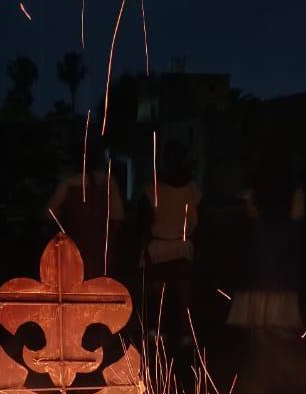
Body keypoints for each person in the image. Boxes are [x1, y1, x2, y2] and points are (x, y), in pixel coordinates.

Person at [228, 146, 304, 333]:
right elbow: (298, 212)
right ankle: (274, 329)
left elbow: (250, 210)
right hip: (281, 236)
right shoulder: (292, 183)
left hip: (262, 235)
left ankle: (261, 331)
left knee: (260, 278)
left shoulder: (256, 182)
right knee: (277, 279)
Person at [138, 140, 202, 346]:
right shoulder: (193, 190)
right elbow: (199, 222)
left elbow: (143, 223)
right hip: (183, 248)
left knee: (158, 298)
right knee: (184, 299)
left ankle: (157, 333)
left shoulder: (151, 190)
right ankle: (185, 335)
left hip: (158, 248)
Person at [46, 137, 125, 277]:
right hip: (102, 247)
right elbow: (118, 217)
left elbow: (49, 213)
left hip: (74, 246)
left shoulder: (68, 183)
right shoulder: (108, 182)